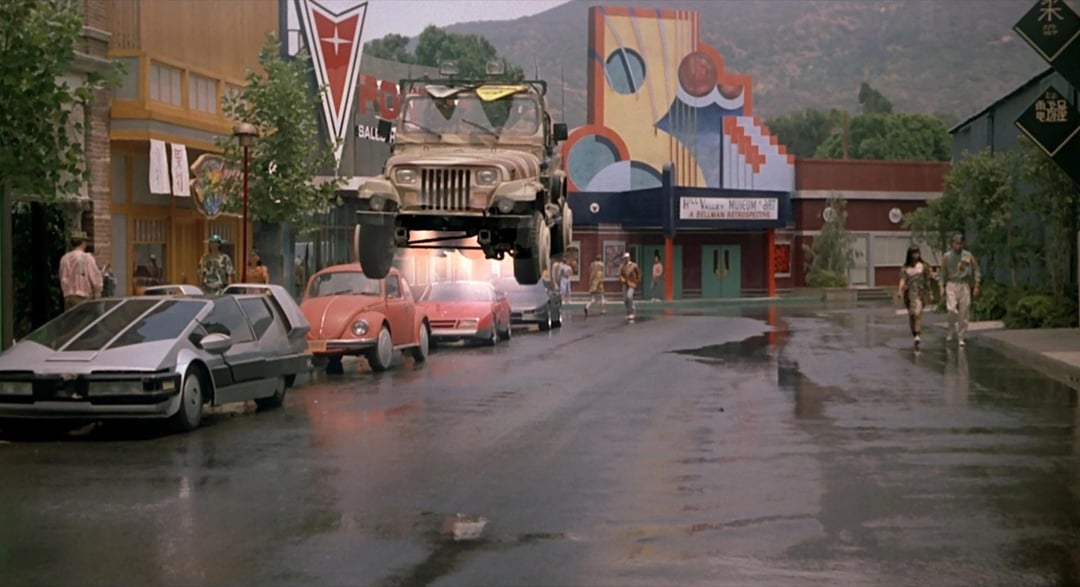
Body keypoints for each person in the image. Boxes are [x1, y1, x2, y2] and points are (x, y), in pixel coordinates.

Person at [941, 233, 981, 347]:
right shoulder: (947, 256)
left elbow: (976, 269)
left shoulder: (968, 255)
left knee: (964, 311)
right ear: (952, 244)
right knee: (951, 309)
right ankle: (951, 329)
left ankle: (961, 336)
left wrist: (977, 285)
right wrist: (941, 286)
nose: (958, 246)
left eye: (960, 243)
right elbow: (942, 272)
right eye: (956, 243)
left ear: (963, 244)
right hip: (951, 283)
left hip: (964, 284)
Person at [896, 244, 933, 350]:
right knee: (912, 314)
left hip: (920, 293)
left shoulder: (924, 266)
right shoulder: (905, 268)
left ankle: (917, 335)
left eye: (917, 253)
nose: (916, 255)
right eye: (913, 253)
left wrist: (930, 293)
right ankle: (914, 333)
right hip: (909, 294)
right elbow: (902, 279)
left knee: (918, 313)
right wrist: (900, 290)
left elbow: (928, 280)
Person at [58, 230, 103, 310]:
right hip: (82, 296)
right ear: (83, 243)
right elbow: (95, 277)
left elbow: (62, 276)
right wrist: (98, 289)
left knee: (71, 317)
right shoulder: (87, 258)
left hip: (68, 296)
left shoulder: (64, 258)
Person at [619, 251, 641, 320]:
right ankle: (628, 312)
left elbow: (639, 274)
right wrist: (622, 279)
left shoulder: (634, 265)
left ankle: (632, 312)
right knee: (625, 299)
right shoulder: (622, 266)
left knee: (629, 296)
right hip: (625, 284)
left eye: (626, 258)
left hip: (632, 284)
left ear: (629, 258)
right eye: (624, 258)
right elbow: (620, 275)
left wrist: (636, 282)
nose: (625, 259)